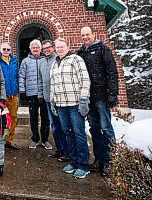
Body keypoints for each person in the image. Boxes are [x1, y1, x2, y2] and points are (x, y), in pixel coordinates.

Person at [77, 26, 119, 177]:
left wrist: (112, 94)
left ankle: (111, 162)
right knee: (94, 128)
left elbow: (112, 72)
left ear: (93, 34)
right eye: (83, 35)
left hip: (102, 96)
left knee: (106, 128)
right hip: (89, 97)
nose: (85, 37)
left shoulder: (103, 49)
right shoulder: (80, 52)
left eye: (88, 34)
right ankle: (99, 159)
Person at [50, 38, 91, 179]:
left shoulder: (76, 59)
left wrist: (84, 99)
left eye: (62, 47)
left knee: (78, 133)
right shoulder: (55, 63)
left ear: (68, 47)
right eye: (58, 47)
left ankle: (83, 165)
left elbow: (85, 80)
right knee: (67, 132)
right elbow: (53, 84)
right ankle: (73, 161)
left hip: (75, 104)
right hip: (61, 105)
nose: (60, 49)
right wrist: (52, 102)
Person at [38, 40, 69, 162]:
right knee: (55, 126)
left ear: (53, 48)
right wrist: (41, 94)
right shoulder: (42, 62)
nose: (46, 50)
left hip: (59, 99)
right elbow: (40, 80)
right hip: (47, 99)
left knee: (63, 126)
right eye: (44, 48)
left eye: (48, 47)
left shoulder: (58, 60)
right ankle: (59, 149)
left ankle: (67, 151)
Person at [19, 39, 51, 149]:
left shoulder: (45, 60)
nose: (35, 49)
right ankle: (35, 138)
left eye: (37, 47)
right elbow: (22, 76)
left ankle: (45, 139)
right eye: (33, 48)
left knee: (45, 117)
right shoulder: (25, 61)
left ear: (40, 49)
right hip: (31, 93)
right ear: (30, 49)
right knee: (33, 117)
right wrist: (22, 90)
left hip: (44, 93)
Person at [0, 42, 20, 150]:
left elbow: (17, 76)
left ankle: (9, 141)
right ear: (0, 50)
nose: (6, 51)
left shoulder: (14, 61)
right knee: (1, 118)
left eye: (8, 49)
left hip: (13, 94)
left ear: (11, 51)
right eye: (4, 49)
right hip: (2, 95)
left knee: (13, 118)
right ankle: (0, 140)